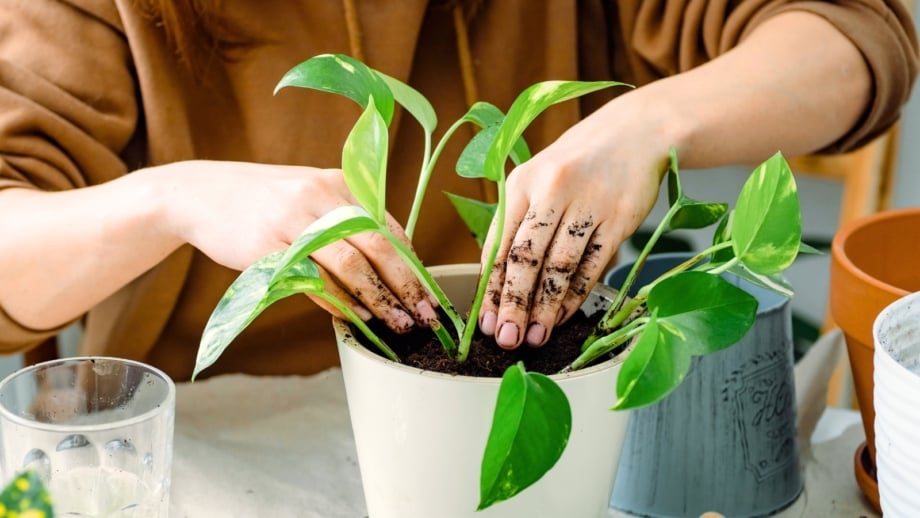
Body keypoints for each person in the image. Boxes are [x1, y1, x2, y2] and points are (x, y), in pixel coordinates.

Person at [0, 0, 916, 381]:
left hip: (522, 401)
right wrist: (178, 197)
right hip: (213, 443)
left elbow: (856, 38)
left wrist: (649, 124)